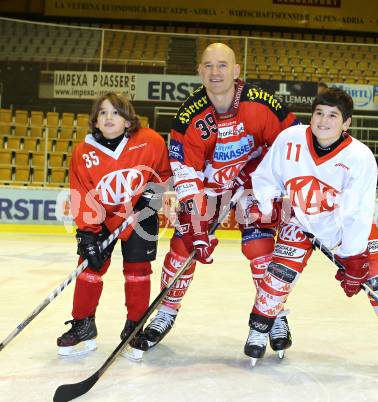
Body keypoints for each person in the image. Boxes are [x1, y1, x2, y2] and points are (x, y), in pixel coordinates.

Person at [243, 87, 378, 373]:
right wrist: (267, 205)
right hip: (301, 221)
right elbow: (267, 174)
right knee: (279, 274)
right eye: (319, 113)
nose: (323, 121)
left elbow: (357, 212)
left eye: (333, 115)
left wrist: (355, 258)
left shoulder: (360, 156)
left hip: (345, 227)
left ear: (346, 123)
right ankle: (259, 329)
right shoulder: (290, 138)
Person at [133, 42, 300, 354]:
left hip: (253, 182)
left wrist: (267, 178)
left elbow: (293, 142)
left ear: (236, 71)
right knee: (183, 246)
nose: (215, 72)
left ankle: (274, 314)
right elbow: (185, 174)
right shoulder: (188, 117)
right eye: (208, 65)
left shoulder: (261, 103)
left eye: (222, 65)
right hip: (209, 189)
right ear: (199, 72)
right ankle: (166, 311)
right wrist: (196, 226)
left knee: (259, 247)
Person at [57, 92, 171, 360]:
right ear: (95, 121)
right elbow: (82, 193)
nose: (109, 117)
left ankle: (134, 326)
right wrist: (86, 233)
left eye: (116, 112)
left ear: (128, 121)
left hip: (140, 215)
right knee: (89, 268)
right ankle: (84, 325)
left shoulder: (150, 141)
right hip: (102, 216)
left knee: (138, 271)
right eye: (103, 113)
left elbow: (164, 174)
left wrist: (154, 195)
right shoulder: (83, 153)